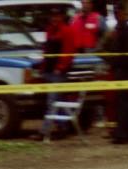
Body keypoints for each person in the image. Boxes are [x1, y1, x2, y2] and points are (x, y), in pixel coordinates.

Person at [34, 9, 76, 140]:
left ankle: (44, 132)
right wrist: (42, 66)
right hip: (48, 71)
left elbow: (68, 52)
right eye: (52, 16)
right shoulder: (49, 30)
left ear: (62, 17)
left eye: (57, 16)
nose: (54, 18)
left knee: (52, 102)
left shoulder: (67, 31)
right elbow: (46, 50)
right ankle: (63, 128)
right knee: (60, 101)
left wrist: (60, 67)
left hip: (58, 73)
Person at [105, 3, 128, 144]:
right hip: (118, 70)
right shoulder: (117, 30)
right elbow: (110, 49)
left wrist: (119, 64)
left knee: (124, 104)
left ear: (124, 13)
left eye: (119, 12)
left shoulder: (127, 31)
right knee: (124, 103)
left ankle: (123, 134)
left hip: (124, 71)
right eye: (116, 13)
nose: (118, 15)